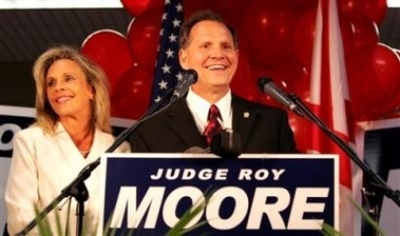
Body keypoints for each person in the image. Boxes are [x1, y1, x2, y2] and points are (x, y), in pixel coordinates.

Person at [129, 10, 297, 154]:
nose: (218, 54)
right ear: (183, 58)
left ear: (236, 57)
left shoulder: (272, 123)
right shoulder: (149, 130)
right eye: (206, 46)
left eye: (226, 46)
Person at [5, 45, 130, 235]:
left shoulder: (118, 148)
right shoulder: (30, 141)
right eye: (51, 83)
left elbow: (123, 216)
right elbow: (21, 217)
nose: (58, 87)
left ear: (91, 90)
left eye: (68, 79)